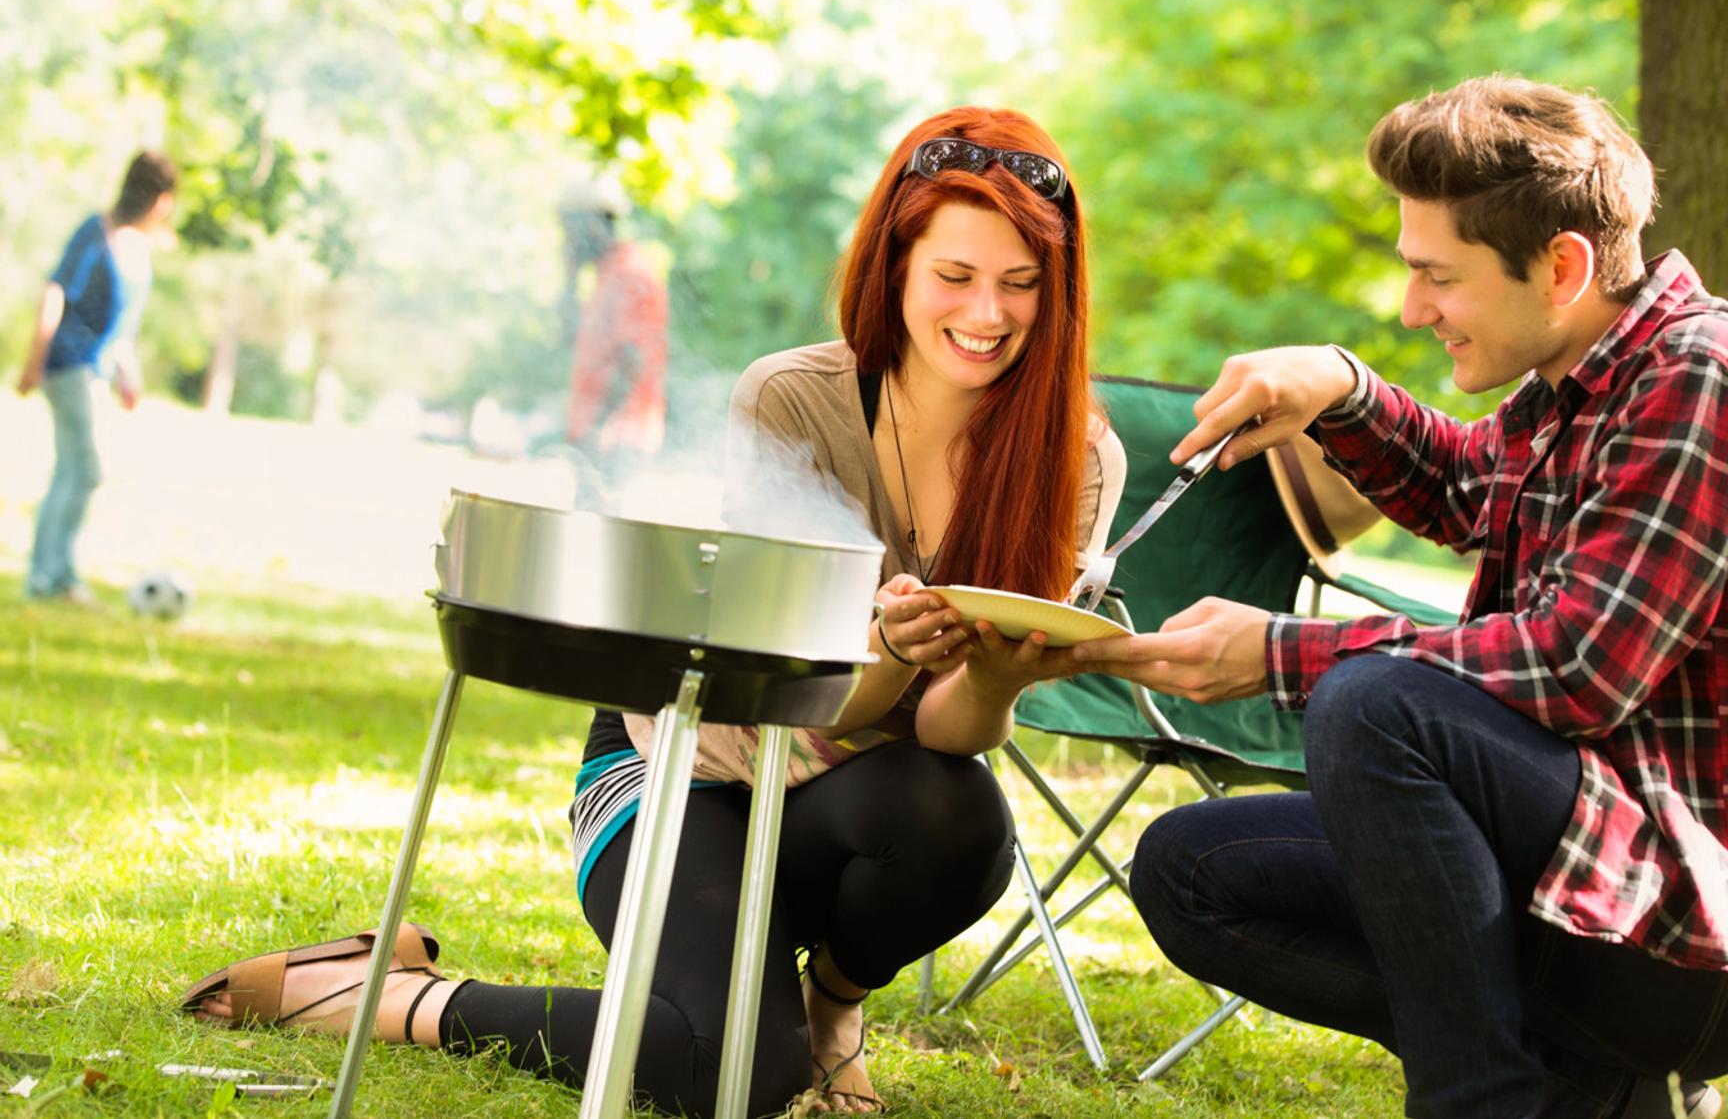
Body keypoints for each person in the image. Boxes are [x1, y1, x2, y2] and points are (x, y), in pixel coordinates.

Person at [181, 107, 1126, 1118]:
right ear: (894, 266)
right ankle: (388, 993)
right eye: (956, 275)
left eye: (1021, 282)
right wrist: (890, 647)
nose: (988, 313)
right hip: (687, 762)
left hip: (846, 806)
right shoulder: (795, 400)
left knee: (959, 814)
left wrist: (993, 677)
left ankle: (830, 1009)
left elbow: (947, 733)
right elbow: (786, 701)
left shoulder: (1076, 459)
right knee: (735, 1078)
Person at [1066, 75, 1728, 1119]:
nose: (1415, 309)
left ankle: (1480, 1099)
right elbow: (1467, 489)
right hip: (1573, 875)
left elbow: (1577, 663)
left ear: (1562, 267)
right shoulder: (1575, 380)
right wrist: (1341, 390)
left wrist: (1278, 652)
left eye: (1438, 276)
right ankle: (1588, 1090)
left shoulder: (1699, 376)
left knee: (1375, 704)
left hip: (1676, 926)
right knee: (1191, 869)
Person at [16, 150, 177, 603]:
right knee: (86, 469)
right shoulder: (96, 232)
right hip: (68, 362)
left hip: (95, 371)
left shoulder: (138, 249)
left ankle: (50, 577)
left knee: (69, 469)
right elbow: (56, 292)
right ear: (160, 199)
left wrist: (128, 373)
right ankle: (53, 577)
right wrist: (34, 360)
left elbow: (118, 326)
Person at [562, 181, 669, 486]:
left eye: (569, 227)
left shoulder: (629, 275)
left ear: (593, 224)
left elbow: (631, 361)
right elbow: (566, 338)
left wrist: (598, 431)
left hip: (617, 440)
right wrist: (569, 278)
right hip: (599, 437)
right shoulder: (606, 275)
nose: (566, 239)